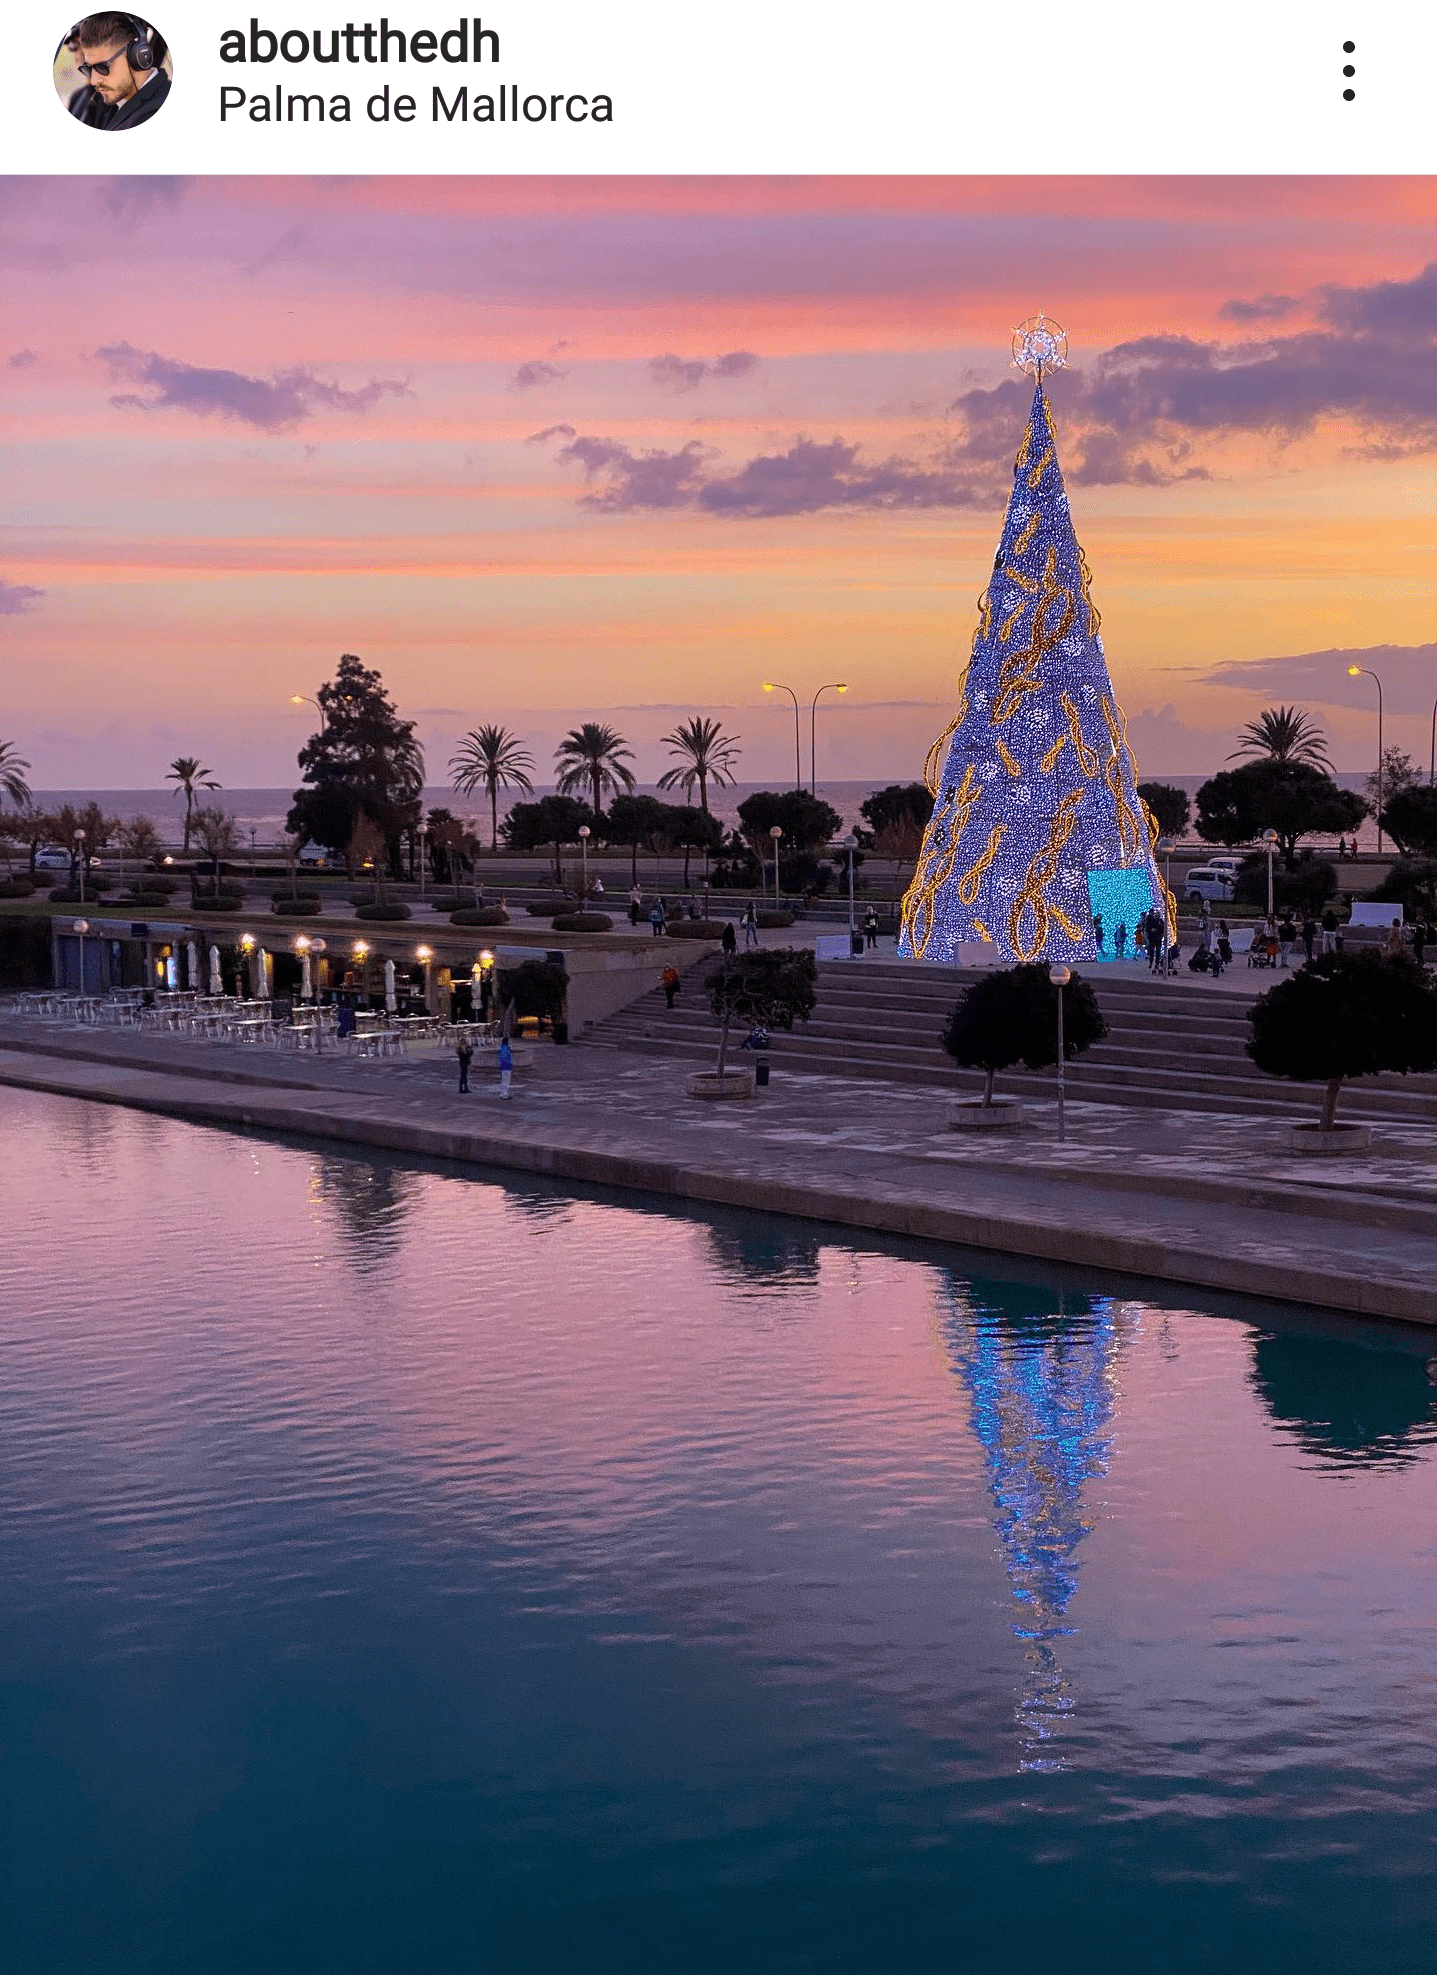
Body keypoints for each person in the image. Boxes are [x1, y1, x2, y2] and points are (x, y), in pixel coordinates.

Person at [68, 14, 171, 130]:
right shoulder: (117, 107)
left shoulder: (156, 111)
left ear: (137, 57)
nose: (93, 81)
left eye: (102, 67)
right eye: (88, 68)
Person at [497, 1034, 514, 1099]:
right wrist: (509, 1063)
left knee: (503, 1080)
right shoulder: (506, 1048)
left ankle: (502, 1093)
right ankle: (504, 1094)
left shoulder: (502, 1048)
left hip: (503, 1066)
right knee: (506, 1080)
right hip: (506, 1066)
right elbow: (504, 1057)